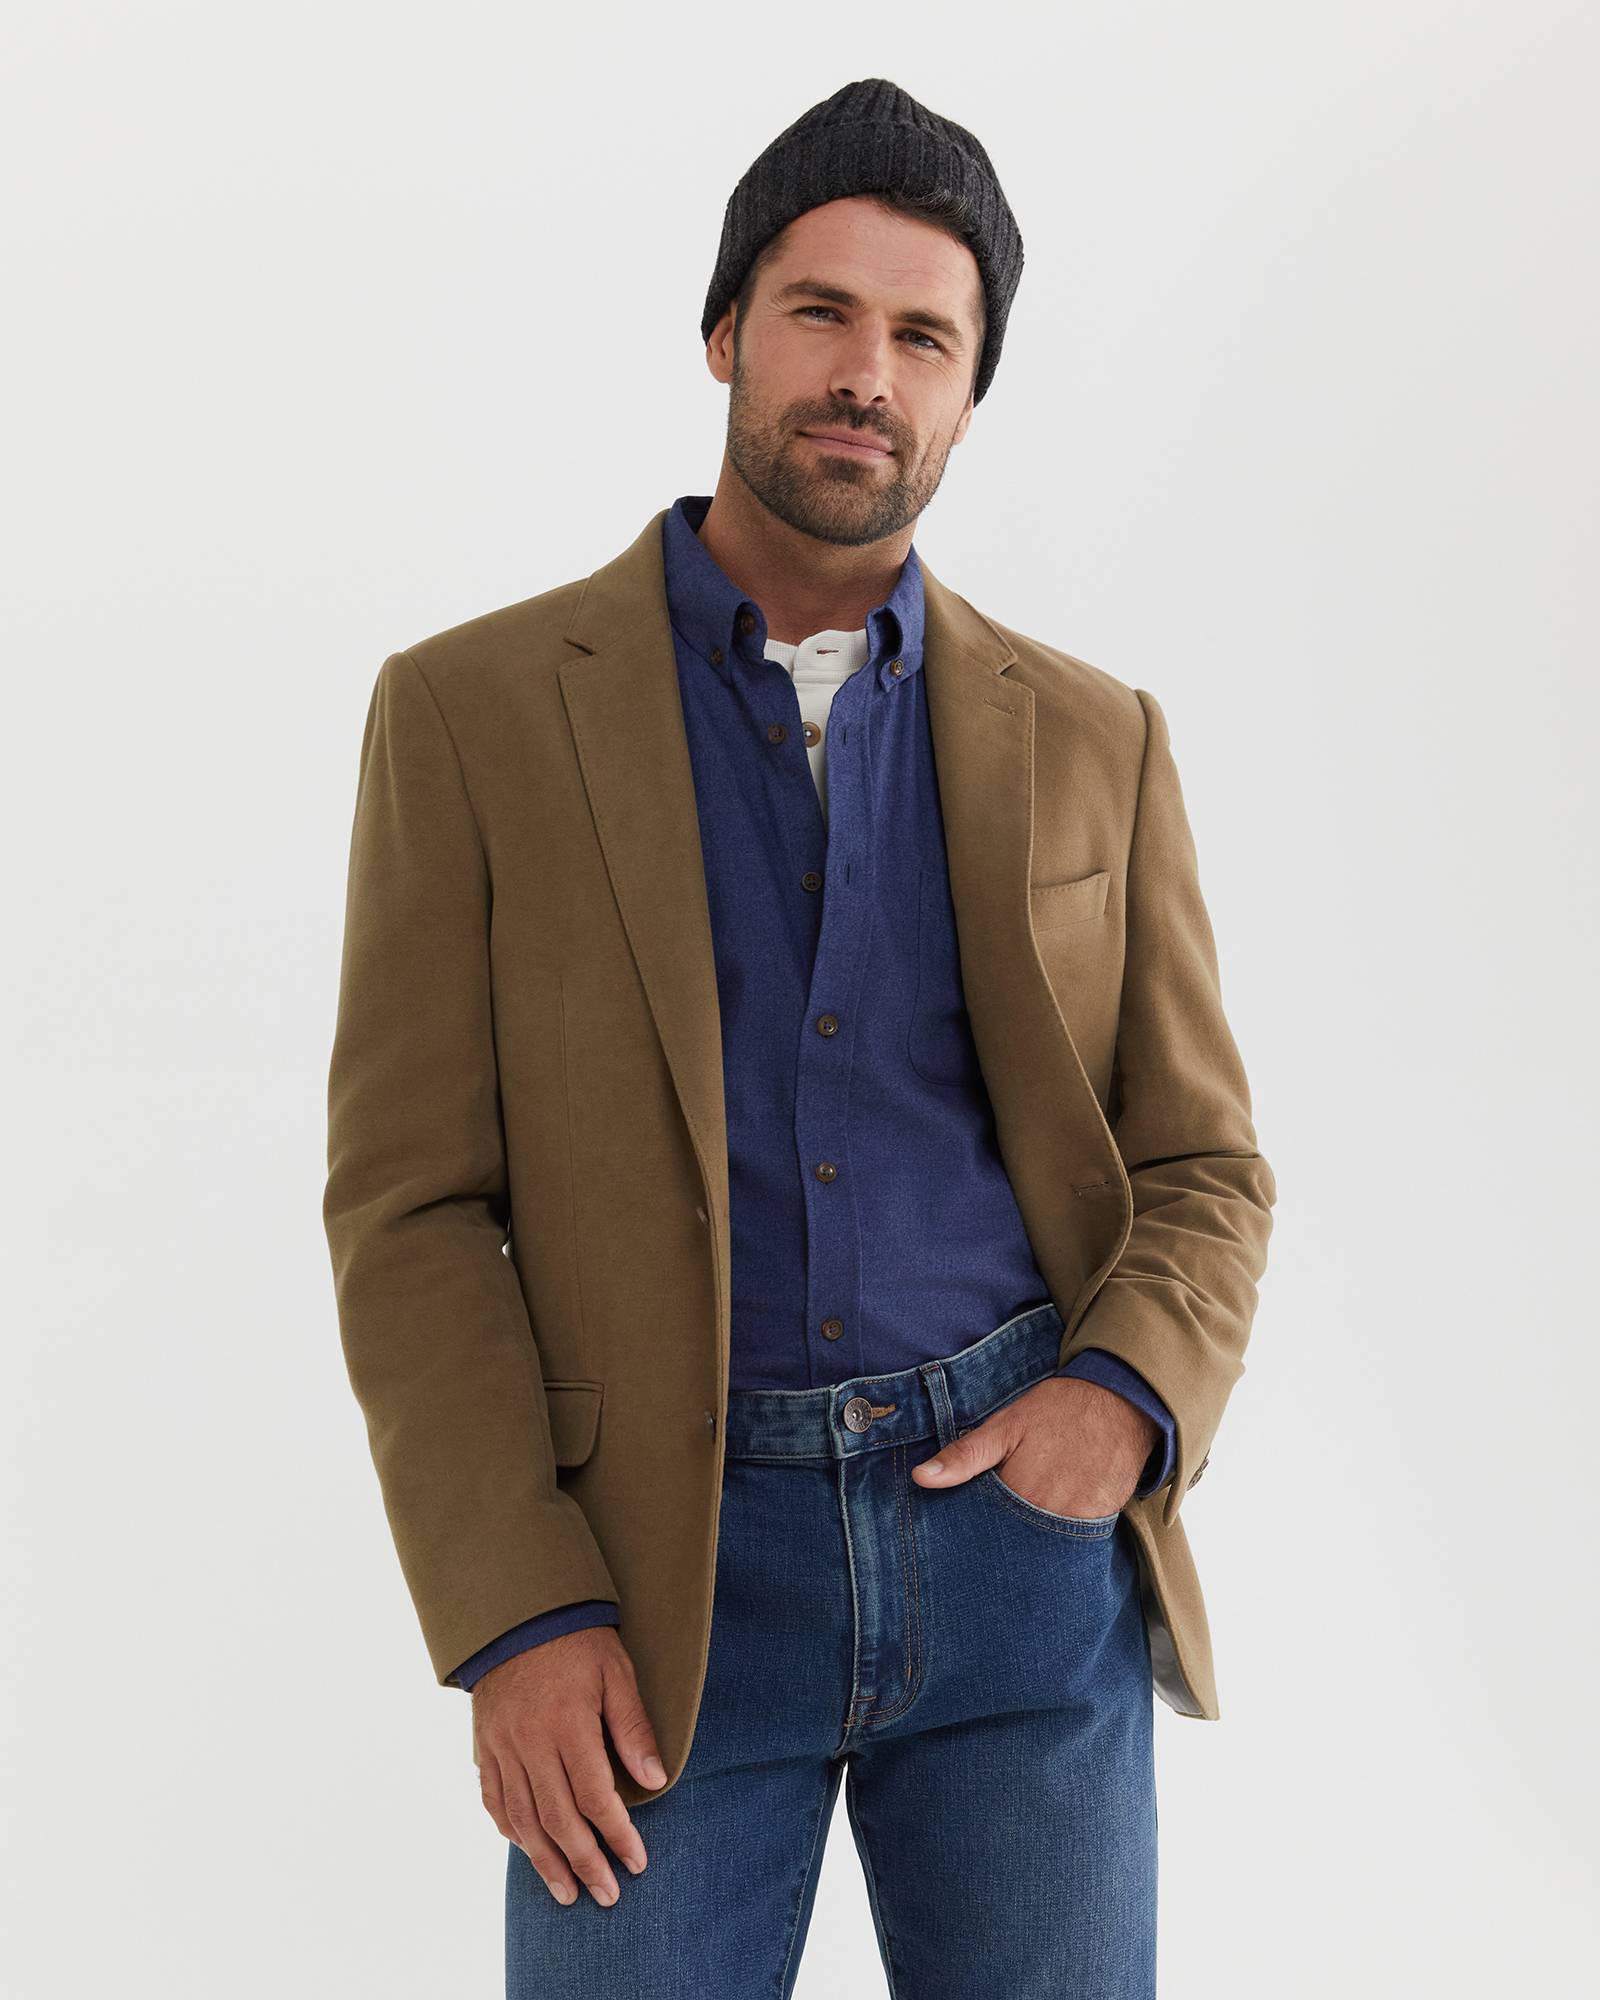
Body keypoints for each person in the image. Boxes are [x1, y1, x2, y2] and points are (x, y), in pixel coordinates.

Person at [324, 77, 1274, 2000]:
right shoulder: (471, 714)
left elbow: (1201, 1163)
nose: (867, 375)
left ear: (971, 394)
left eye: (925, 337)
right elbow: (411, 1209)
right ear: (723, 334)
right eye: (821, 313)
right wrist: (515, 1612)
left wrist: (1121, 1402)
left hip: (1015, 1567)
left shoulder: (1099, 737)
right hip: (657, 1593)